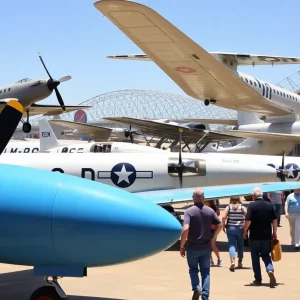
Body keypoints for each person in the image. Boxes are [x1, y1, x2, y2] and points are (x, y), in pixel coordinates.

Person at [180, 188, 222, 300]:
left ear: (193, 198)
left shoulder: (189, 211)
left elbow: (185, 229)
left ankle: (196, 288)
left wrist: (182, 245)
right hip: (206, 246)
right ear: (203, 198)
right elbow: (220, 224)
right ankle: (205, 296)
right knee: (206, 272)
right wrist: (213, 237)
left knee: (193, 270)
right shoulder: (210, 211)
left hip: (193, 247)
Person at [244, 187, 277, 288]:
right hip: (267, 236)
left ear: (253, 196)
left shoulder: (252, 206)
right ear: (262, 195)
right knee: (266, 255)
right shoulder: (269, 205)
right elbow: (275, 220)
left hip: (254, 236)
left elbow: (248, 221)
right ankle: (270, 269)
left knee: (255, 258)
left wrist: (244, 231)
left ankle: (258, 279)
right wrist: (274, 232)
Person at [222, 196, 247, 271]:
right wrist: (246, 228)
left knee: (232, 245)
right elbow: (248, 217)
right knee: (240, 245)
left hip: (230, 228)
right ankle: (240, 261)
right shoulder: (242, 207)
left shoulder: (228, 207)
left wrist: (223, 225)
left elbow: (223, 217)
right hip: (240, 228)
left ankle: (232, 261)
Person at [204, 200, 222, 266]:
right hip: (214, 228)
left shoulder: (208, 209)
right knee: (212, 245)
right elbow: (218, 214)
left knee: (208, 246)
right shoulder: (215, 207)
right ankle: (218, 259)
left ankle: (211, 260)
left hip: (209, 229)